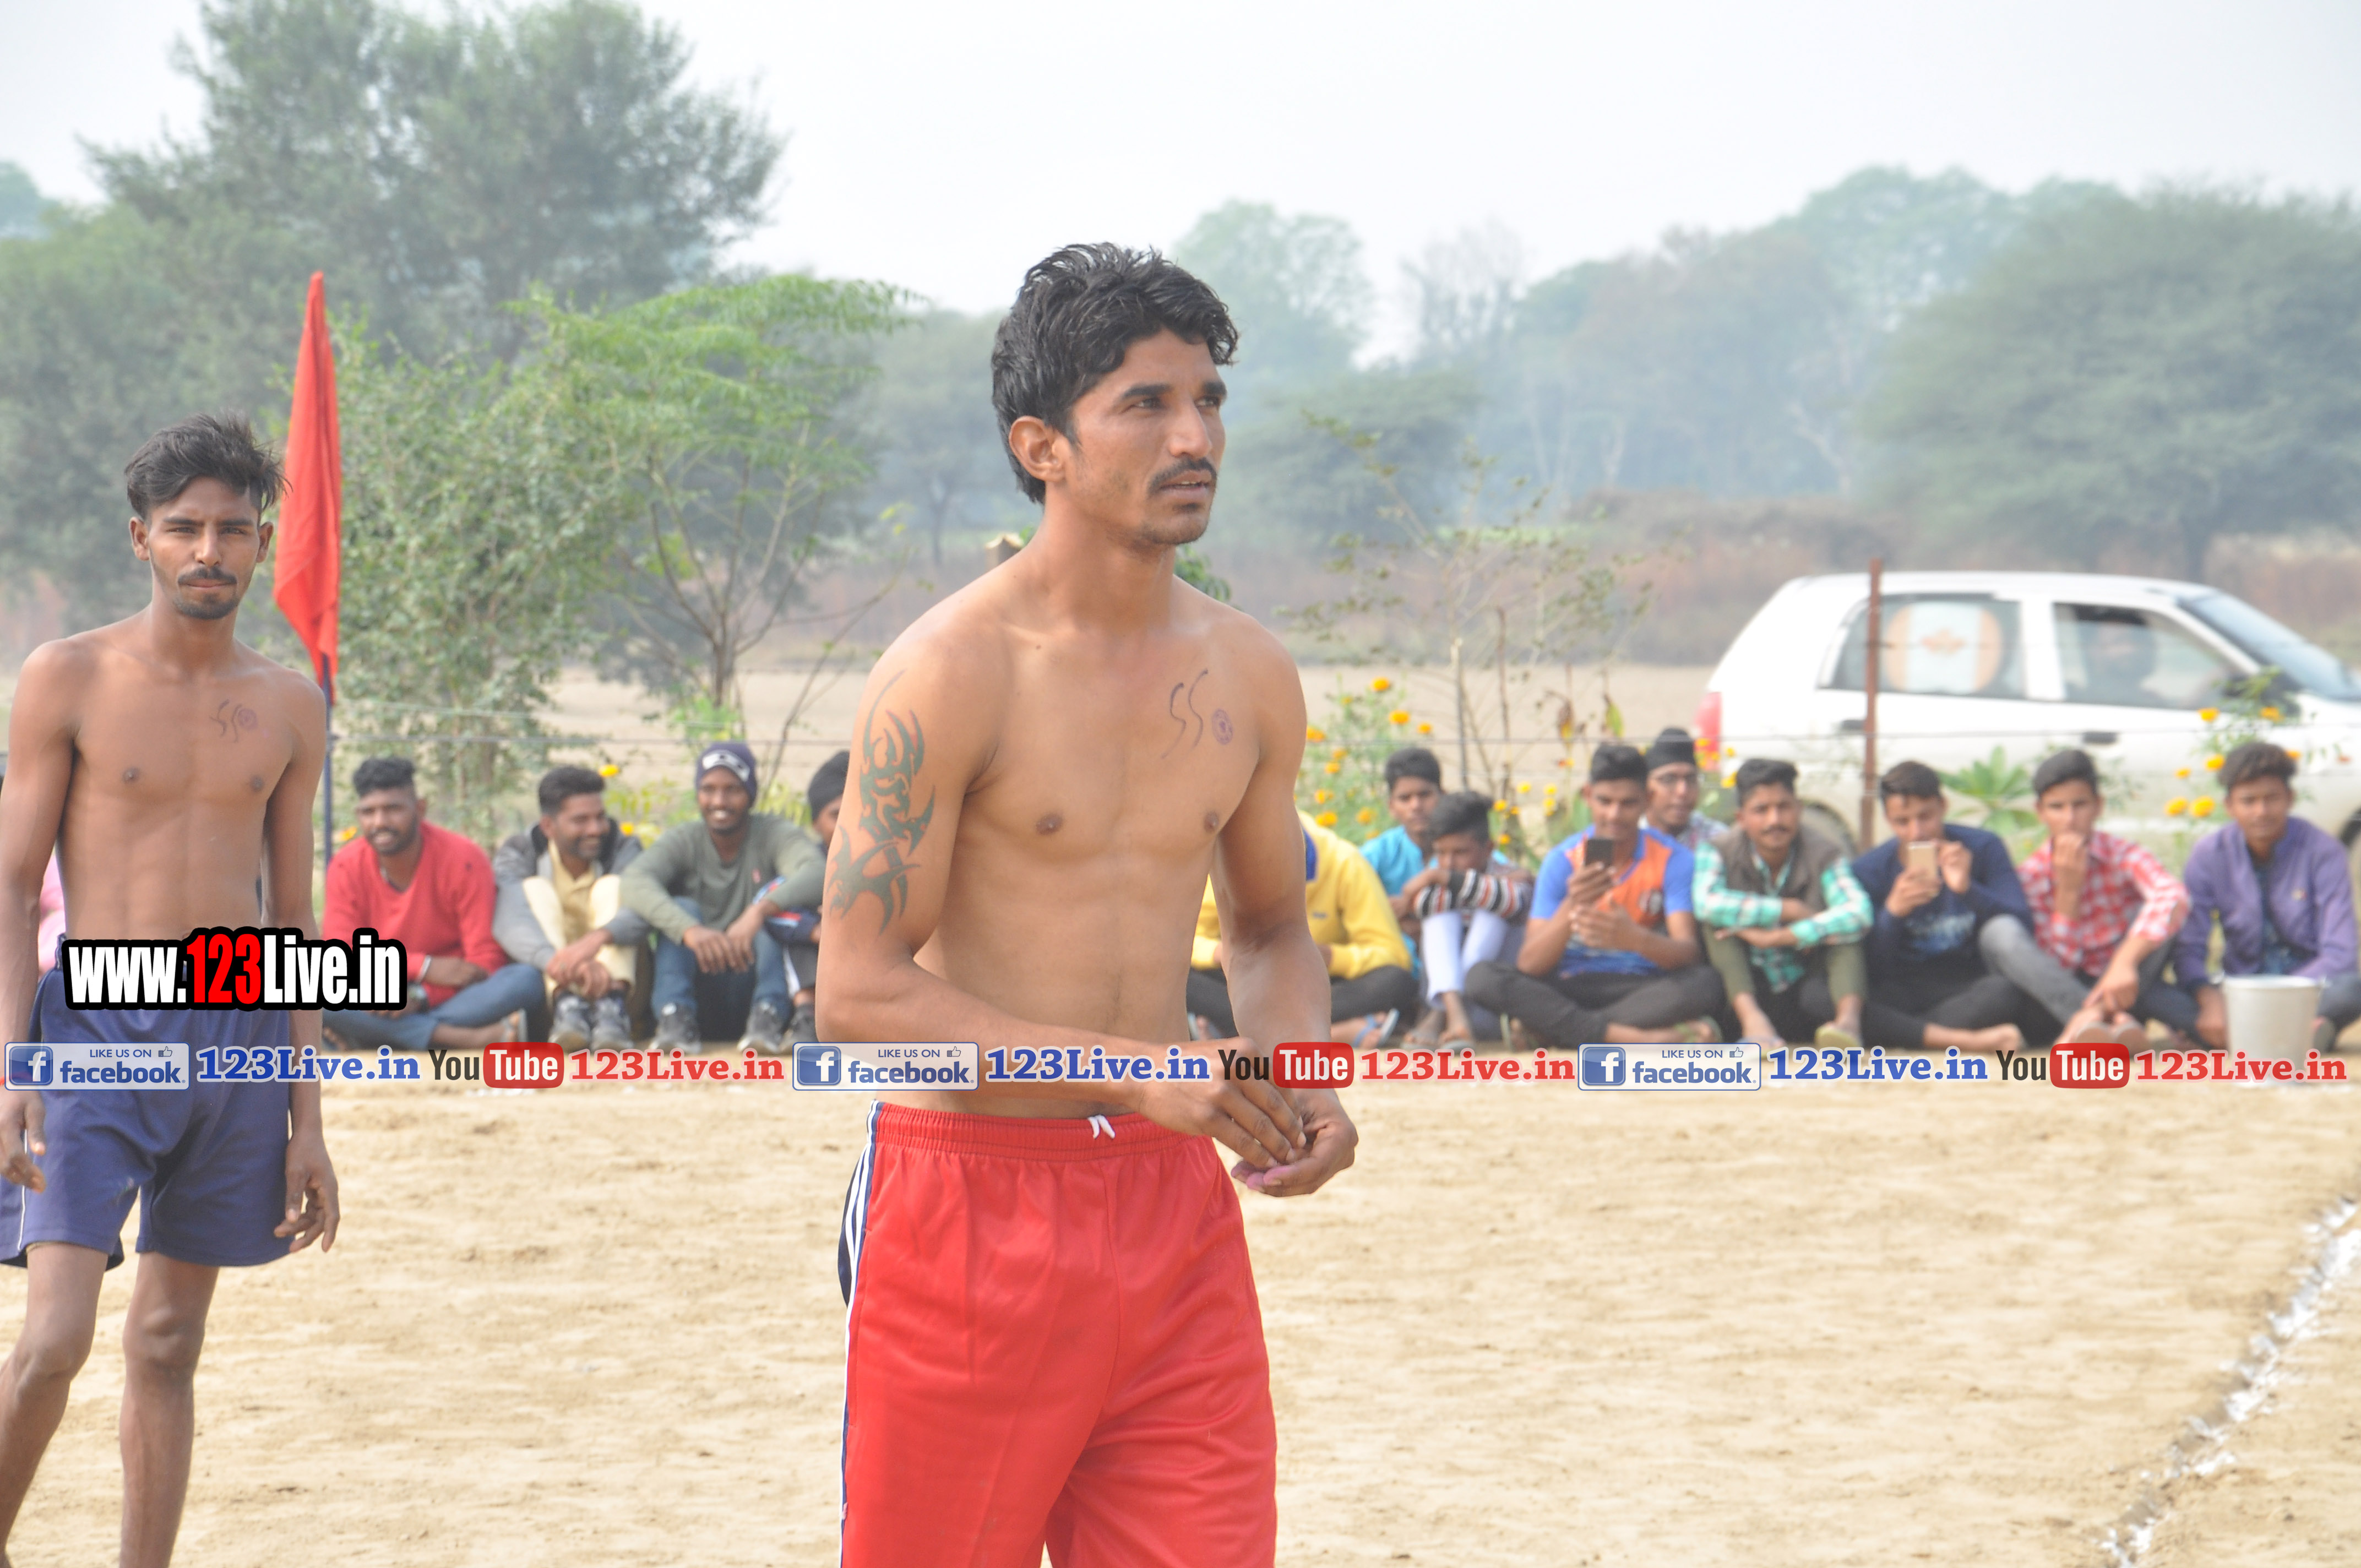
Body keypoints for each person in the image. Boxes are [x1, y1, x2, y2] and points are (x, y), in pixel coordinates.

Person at [819, 243, 1353, 1567]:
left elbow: (1269, 926)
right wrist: (1130, 1068)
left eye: (1208, 399)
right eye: (1145, 404)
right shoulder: (949, 670)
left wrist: (1305, 1076)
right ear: (1040, 445)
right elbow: (857, 991)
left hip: (1174, 1207)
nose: (1195, 437)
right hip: (967, 1208)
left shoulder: (1247, 671)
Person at [0, 414, 338, 1566]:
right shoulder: (70, 675)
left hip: (237, 1029)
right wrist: (16, 1065)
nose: (210, 550)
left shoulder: (290, 703)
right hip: (96, 1025)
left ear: (261, 544)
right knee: (55, 1339)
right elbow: (14, 888)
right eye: (185, 527)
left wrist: (307, 1116)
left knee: (166, 1340)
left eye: (233, 529)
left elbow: (291, 917)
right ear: (141, 537)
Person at [1466, 743, 1722, 1049]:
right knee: (1482, 977)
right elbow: (1531, 964)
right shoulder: (1563, 859)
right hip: (1570, 983)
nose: (1614, 815)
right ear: (1587, 796)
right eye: (1604, 801)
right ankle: (1634, 1037)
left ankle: (1556, 1031)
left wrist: (1634, 938)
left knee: (1706, 983)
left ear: (1647, 800)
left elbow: (1688, 954)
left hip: (1640, 985)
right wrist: (1573, 904)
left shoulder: (1672, 859)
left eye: (1628, 803)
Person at [320, 756, 546, 1053]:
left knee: (525, 979)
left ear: (420, 809)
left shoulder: (464, 858)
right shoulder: (346, 865)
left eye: (393, 809)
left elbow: (485, 960)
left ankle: (381, 1035)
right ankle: (458, 1038)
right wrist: (422, 967)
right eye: (369, 812)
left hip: (453, 994)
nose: (380, 822)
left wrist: (421, 996)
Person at [622, 741, 820, 1055]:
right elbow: (635, 881)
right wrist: (689, 929)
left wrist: (759, 911)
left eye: (732, 790)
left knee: (775, 909)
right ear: (697, 794)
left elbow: (816, 872)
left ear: (751, 794)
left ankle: (768, 1015)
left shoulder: (774, 834)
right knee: (681, 909)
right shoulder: (685, 839)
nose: (719, 801)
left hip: (755, 977)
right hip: (700, 982)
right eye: (709, 789)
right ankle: (675, 1017)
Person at [2177, 742, 2361, 1054]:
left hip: (2307, 990)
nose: (2261, 812)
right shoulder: (2209, 854)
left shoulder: (2323, 851)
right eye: (2249, 801)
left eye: (2272, 799)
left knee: (2351, 989)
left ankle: (2257, 1032)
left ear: (2290, 798)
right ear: (2229, 806)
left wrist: (2277, 997)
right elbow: (2189, 948)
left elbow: (2340, 953)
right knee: (2167, 998)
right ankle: (2299, 1034)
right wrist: (2209, 1000)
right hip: (2238, 990)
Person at [2013, 749, 2195, 1044]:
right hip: (2068, 992)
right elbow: (2056, 969)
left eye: (2080, 805)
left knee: (2165, 915)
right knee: (2004, 938)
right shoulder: (2031, 875)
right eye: (2057, 807)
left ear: (2098, 806)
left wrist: (2124, 962)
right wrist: (2068, 894)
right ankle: (2102, 1020)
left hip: (2129, 980)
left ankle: (2098, 1022)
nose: (2070, 819)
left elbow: (2172, 895)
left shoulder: (2121, 853)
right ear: (2041, 812)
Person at [1189, 814, 1418, 1047]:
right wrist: (1222, 953)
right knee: (1182, 979)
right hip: (1245, 976)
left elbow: (1393, 954)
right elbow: (1188, 943)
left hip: (1319, 982)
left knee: (1396, 980)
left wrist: (1329, 956)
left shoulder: (1344, 862)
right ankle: (1326, 1033)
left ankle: (1249, 1034)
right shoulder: (1230, 862)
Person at [1847, 761, 2030, 1053]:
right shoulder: (1870, 870)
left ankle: (1901, 1032)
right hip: (1901, 987)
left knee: (2003, 993)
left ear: (1943, 806)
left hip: (1963, 983)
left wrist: (1968, 890)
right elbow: (1872, 967)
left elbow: (2022, 923)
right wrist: (1892, 914)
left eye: (1926, 817)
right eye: (1902, 822)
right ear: (1888, 820)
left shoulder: (1982, 848)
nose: (1916, 832)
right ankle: (1948, 1037)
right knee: (1826, 997)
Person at [1694, 758, 1870, 1049]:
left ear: (1799, 809)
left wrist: (1784, 936)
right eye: (1761, 810)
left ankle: (1848, 1025)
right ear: (1741, 818)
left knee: (1845, 931)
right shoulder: (1718, 851)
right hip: (1747, 986)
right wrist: (1788, 910)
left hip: (1804, 980)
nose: (1774, 820)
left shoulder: (1823, 852)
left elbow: (1860, 912)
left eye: (1784, 807)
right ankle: (1754, 1024)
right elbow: (1706, 903)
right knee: (1717, 924)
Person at [492, 764, 649, 1050]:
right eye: (580, 821)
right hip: (550, 998)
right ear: (548, 827)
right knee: (533, 890)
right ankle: (568, 1006)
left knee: (614, 887)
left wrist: (594, 942)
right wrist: (563, 964)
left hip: (624, 991)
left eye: (600, 817)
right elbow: (510, 921)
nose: (596, 829)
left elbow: (644, 910)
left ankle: (611, 1009)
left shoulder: (623, 848)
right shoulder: (521, 852)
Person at [1398, 791, 1529, 1045]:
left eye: (1460, 852)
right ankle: (1453, 1010)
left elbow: (1510, 901)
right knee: (1438, 917)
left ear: (1488, 849)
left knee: (1493, 911)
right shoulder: (1438, 876)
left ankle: (1442, 1013)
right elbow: (1423, 904)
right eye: (1441, 853)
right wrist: (1445, 881)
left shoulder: (1509, 874)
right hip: (1451, 997)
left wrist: (1440, 878)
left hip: (1489, 1002)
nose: (1448, 863)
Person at [747, 749, 846, 1045]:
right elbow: (768, 903)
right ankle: (807, 1015)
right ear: (816, 823)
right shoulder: (810, 864)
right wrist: (816, 930)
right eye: (836, 815)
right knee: (796, 926)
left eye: (859, 814)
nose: (849, 825)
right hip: (821, 970)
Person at [1361, 746, 1442, 907]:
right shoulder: (1377, 854)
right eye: (1405, 798)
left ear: (1443, 795)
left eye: (1424, 795)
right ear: (1391, 806)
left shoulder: (1465, 849)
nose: (1416, 806)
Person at [1642, 727, 1709, 851]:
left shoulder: (1716, 842)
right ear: (1646, 786)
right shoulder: (1627, 838)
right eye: (1669, 780)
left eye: (1691, 779)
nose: (1682, 791)